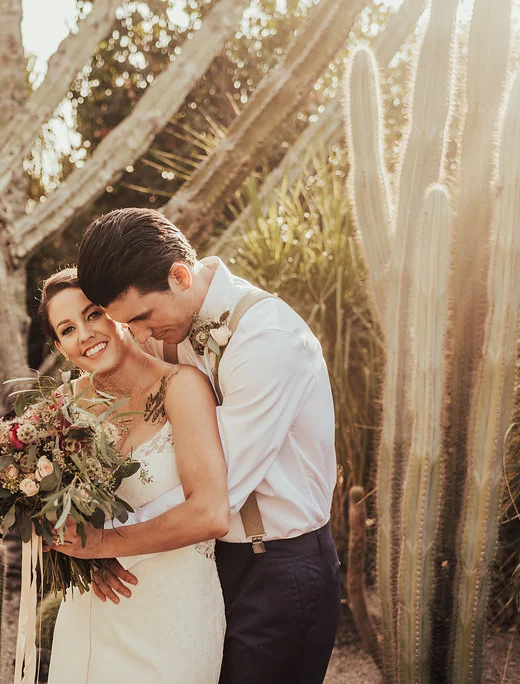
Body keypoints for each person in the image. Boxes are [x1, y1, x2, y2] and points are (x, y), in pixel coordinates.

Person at [54, 208, 340, 684]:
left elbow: (213, 496)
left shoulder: (268, 340)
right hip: (213, 566)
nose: (140, 338)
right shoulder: (181, 320)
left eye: (142, 319)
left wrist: (104, 543)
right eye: (128, 324)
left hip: (281, 571)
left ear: (181, 275)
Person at [38, 268, 229, 683]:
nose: (85, 334)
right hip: (93, 610)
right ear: (60, 347)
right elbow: (41, 511)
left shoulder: (182, 386)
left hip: (173, 612)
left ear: (117, 311)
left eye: (93, 315)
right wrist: (83, 559)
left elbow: (211, 514)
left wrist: (103, 544)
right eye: (68, 329)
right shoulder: (62, 408)